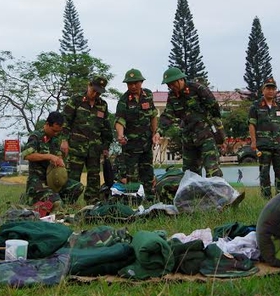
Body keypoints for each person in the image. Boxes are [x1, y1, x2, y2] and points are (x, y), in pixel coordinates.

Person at [152, 67, 225, 178]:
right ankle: (195, 195)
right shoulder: (172, 96)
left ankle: (219, 194)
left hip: (206, 136)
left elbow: (214, 109)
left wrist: (217, 130)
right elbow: (168, 115)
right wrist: (159, 132)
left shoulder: (198, 89)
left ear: (181, 80)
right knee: (190, 174)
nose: (171, 87)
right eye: (168, 85)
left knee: (212, 169)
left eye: (173, 84)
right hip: (188, 138)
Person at [61, 76, 113, 204]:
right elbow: (65, 122)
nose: (95, 94)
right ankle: (69, 202)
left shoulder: (103, 105)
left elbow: (106, 128)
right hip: (75, 146)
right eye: (93, 90)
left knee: (94, 177)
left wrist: (106, 146)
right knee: (73, 176)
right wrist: (64, 140)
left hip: (95, 149)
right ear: (89, 85)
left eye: (99, 92)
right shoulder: (76, 100)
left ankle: (92, 202)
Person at [21, 111, 82, 208]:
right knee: (56, 202)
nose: (56, 133)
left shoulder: (55, 140)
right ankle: (32, 198)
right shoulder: (35, 137)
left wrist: (61, 159)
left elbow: (58, 156)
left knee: (77, 187)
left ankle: (66, 206)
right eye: (54, 131)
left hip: (53, 180)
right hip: (38, 181)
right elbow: (26, 155)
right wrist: (49, 156)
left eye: (58, 131)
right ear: (47, 124)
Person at [114, 68, 158, 199]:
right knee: (131, 176)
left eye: (135, 83)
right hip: (131, 146)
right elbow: (119, 120)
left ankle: (150, 199)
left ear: (141, 82)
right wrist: (120, 135)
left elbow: (153, 115)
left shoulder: (148, 95)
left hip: (146, 143)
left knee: (148, 173)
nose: (133, 86)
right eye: (130, 84)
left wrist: (155, 133)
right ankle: (134, 201)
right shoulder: (124, 100)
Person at [248, 77, 280, 198]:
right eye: (268, 88)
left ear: (275, 91)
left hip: (278, 144)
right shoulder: (255, 106)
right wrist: (253, 141)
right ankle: (266, 197)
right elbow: (251, 124)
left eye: (273, 88)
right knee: (264, 172)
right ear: (263, 90)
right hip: (263, 144)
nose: (271, 91)